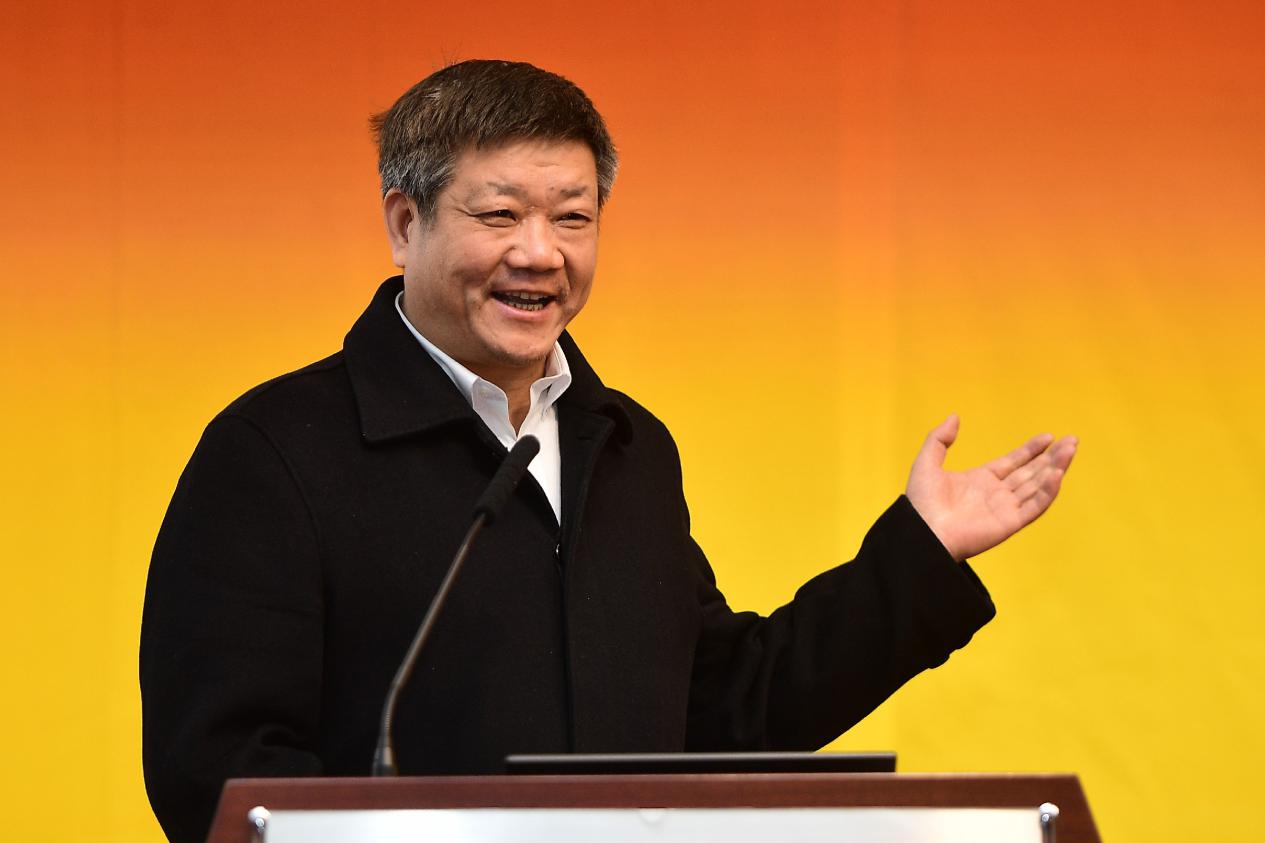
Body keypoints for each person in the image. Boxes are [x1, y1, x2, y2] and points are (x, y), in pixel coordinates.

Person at [140, 60, 1076, 843]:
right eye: (499, 215)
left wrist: (919, 558)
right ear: (403, 224)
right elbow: (217, 771)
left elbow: (721, 718)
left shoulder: (625, 446)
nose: (540, 253)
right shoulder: (273, 453)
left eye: (573, 218)